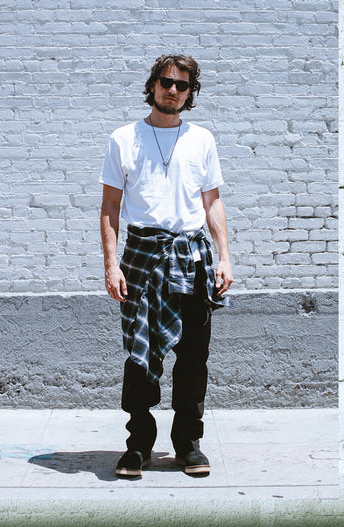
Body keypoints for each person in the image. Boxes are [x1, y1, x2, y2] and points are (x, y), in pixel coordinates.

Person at [99, 54, 233, 478]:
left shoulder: (202, 139)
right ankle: (137, 446)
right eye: (165, 82)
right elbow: (110, 207)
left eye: (181, 84)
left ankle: (188, 444)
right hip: (141, 255)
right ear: (152, 85)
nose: (171, 89)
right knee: (140, 356)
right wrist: (110, 265)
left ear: (191, 93)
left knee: (193, 357)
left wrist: (224, 257)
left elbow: (212, 202)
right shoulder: (124, 138)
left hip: (191, 258)